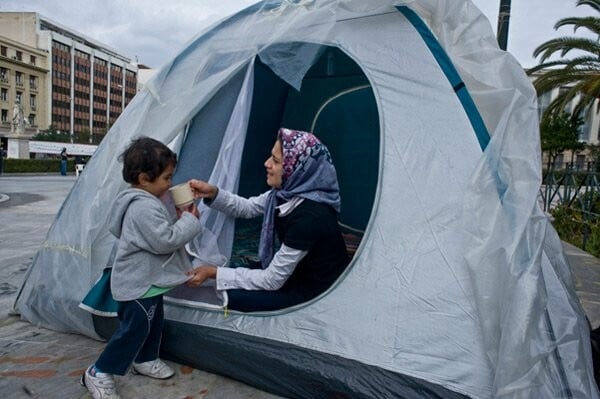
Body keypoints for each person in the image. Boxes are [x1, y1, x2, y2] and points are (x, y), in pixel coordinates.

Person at [81, 137, 204, 399]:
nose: (170, 183)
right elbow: (164, 241)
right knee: (135, 328)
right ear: (145, 178)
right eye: (167, 178)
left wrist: (179, 219)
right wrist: (190, 222)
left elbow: (158, 233)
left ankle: (145, 359)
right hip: (138, 284)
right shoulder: (141, 207)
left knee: (153, 322)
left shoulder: (145, 202)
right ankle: (99, 371)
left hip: (148, 281)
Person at [188, 128, 349, 312]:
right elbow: (247, 207)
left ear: (295, 168)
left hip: (315, 291)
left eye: (276, 160)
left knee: (228, 298)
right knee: (234, 280)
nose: (267, 163)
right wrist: (213, 193)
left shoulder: (309, 218)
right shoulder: (285, 194)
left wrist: (214, 273)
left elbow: (272, 280)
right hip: (295, 273)